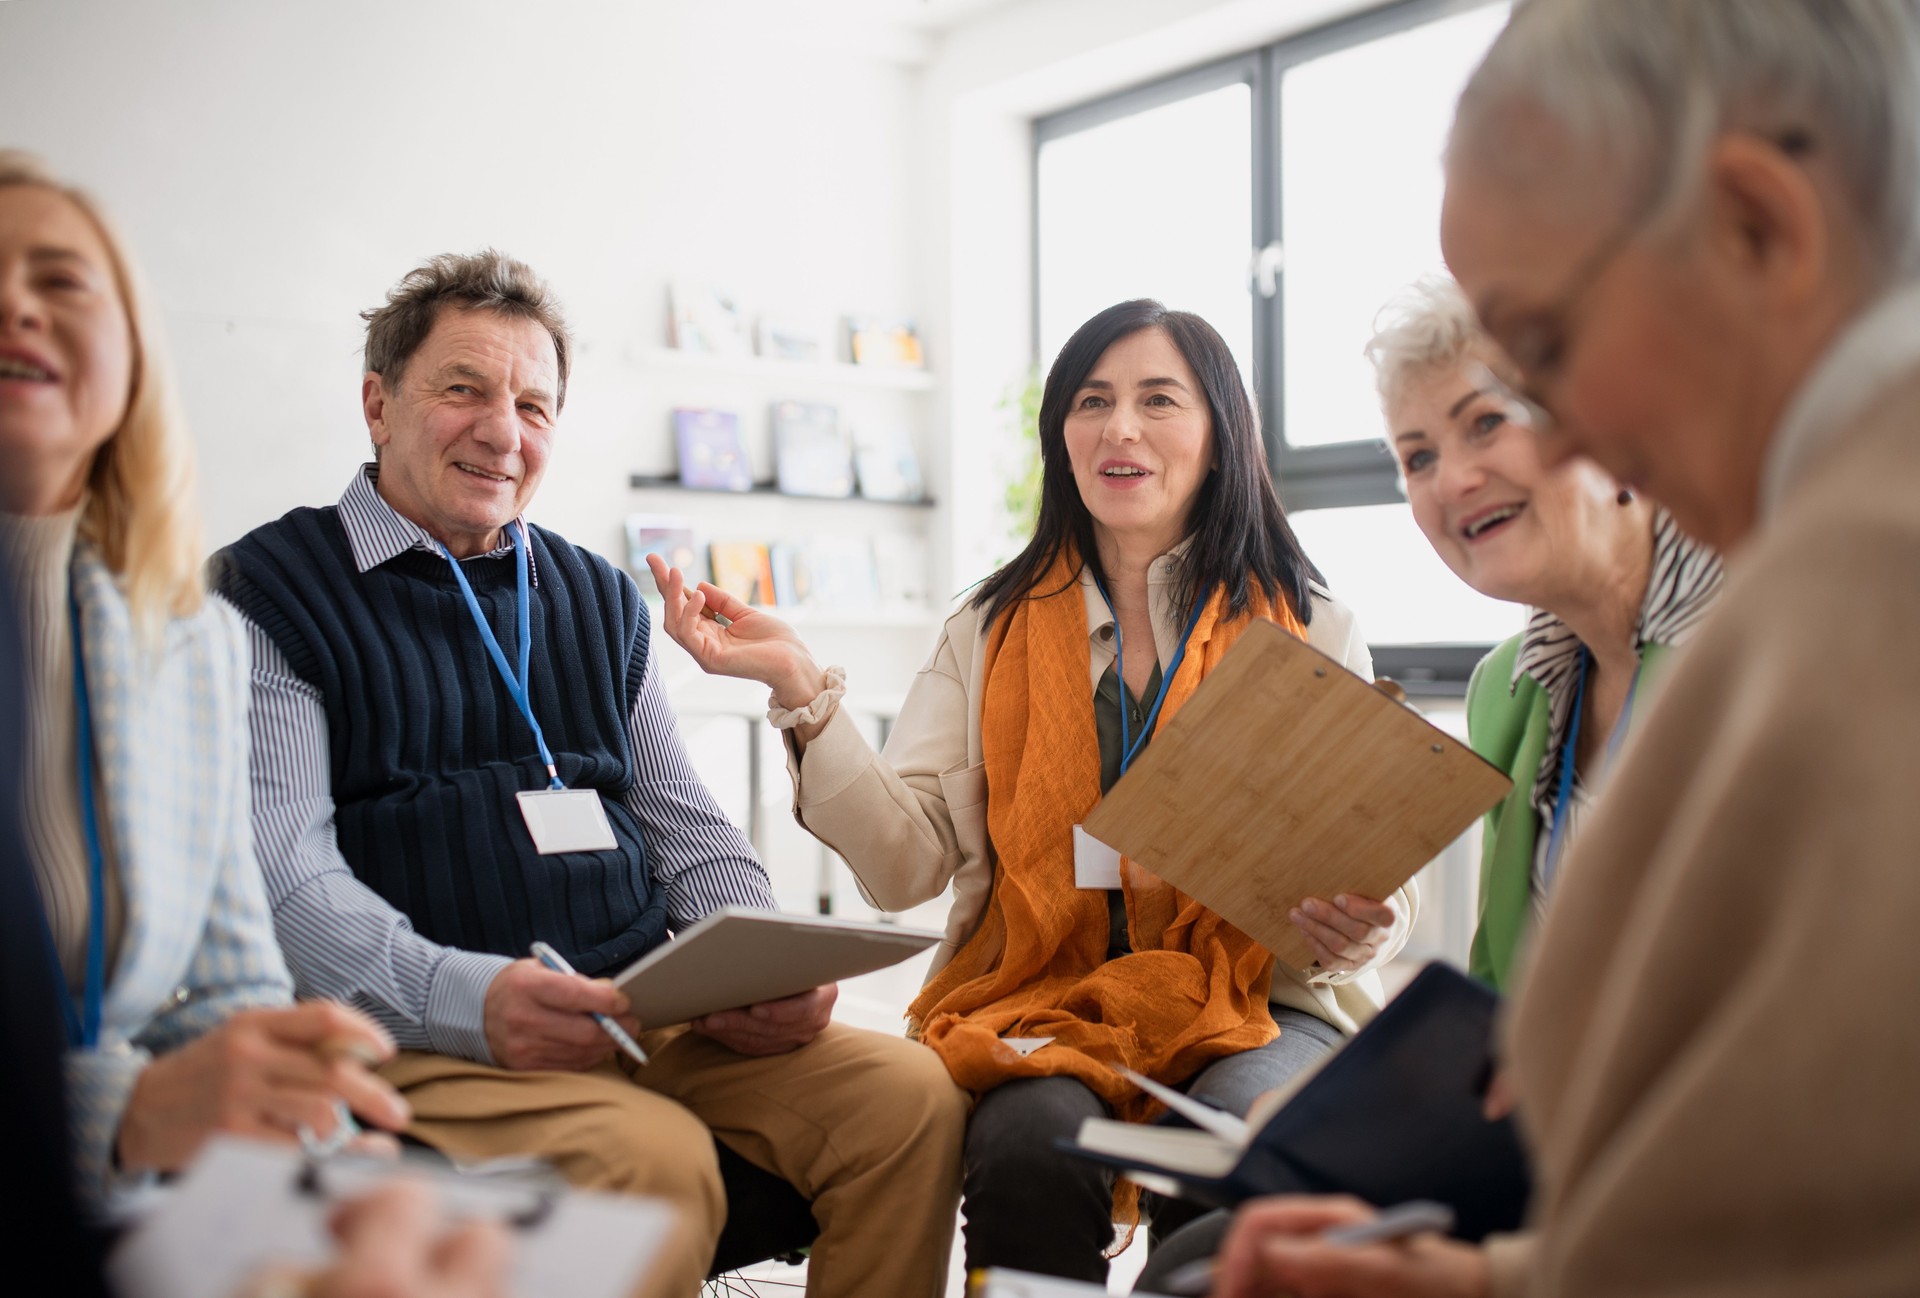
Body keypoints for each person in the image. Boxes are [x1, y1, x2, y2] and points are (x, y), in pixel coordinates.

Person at [1211, 1, 1920, 1294]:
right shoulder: (1574, 669)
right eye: (1417, 452)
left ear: (1758, 227)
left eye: (1548, 356)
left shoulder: (1851, 591)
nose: (1570, 433)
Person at [211, 249, 967, 1298]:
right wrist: (471, 1000)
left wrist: (758, 966)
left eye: (534, 404)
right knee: (647, 1158)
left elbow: (688, 827)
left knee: (911, 1093)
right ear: (379, 403)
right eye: (463, 390)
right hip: (431, 1033)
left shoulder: (594, 595)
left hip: (636, 1003)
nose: (502, 431)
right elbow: (291, 882)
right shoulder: (268, 589)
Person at [649, 298, 1417, 1284]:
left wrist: (1367, 923)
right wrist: (803, 693)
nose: (1120, 428)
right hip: (1037, 994)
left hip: (1263, 999)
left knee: (1233, 1138)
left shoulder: (1311, 625)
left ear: (1221, 435)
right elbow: (902, 865)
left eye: (1158, 400)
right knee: (1026, 1142)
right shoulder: (989, 626)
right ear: (1062, 433)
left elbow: (1374, 875)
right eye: (1092, 400)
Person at [0, 151, 408, 1213]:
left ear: (132, 356)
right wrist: (126, 1112)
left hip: (127, 1201)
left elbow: (231, 981)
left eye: (58, 279)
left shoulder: (188, 639)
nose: (13, 302)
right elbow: (147, 1092)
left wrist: (303, 1138)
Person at [1367, 276, 1722, 991]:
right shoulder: (1504, 692)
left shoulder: (1768, 633)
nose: (1455, 480)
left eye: (1487, 422)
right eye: (1419, 458)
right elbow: (1498, 999)